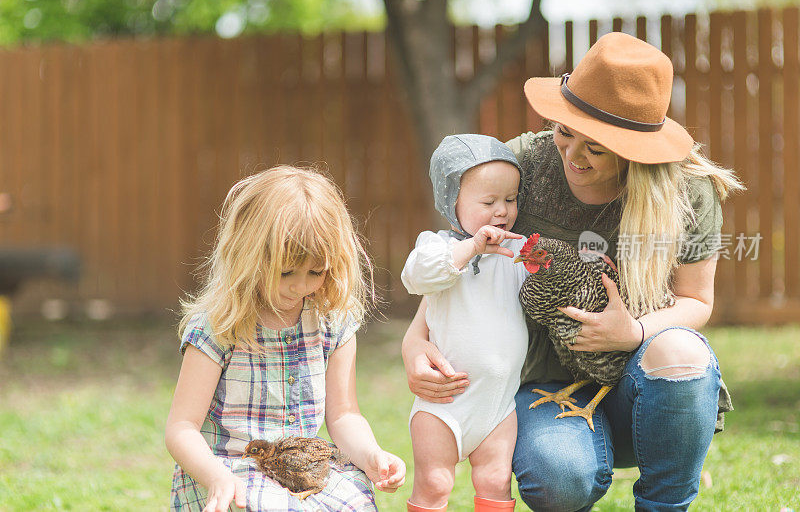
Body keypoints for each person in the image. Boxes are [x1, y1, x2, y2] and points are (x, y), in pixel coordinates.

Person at [401, 32, 743, 511]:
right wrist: (415, 342)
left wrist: (634, 331)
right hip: (547, 382)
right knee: (559, 479)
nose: (572, 156)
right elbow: (461, 255)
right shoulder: (522, 165)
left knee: (680, 349)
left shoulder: (686, 192)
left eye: (596, 148)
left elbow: (697, 302)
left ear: (635, 149)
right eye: (565, 132)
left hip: (644, 389)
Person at [165, 165, 405, 511]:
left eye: (316, 271)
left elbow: (344, 416)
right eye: (286, 272)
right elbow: (181, 428)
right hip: (228, 470)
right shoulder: (219, 327)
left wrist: (371, 454)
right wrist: (216, 476)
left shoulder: (332, 323)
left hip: (300, 470)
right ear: (248, 256)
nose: (301, 286)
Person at [402, 135, 529, 512]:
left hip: (498, 403)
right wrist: (472, 247)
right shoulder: (439, 248)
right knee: (435, 482)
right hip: (445, 402)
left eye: (511, 199)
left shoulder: (517, 252)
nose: (502, 211)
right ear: (450, 201)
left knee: (495, 479)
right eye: (488, 202)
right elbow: (417, 277)